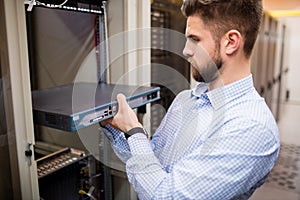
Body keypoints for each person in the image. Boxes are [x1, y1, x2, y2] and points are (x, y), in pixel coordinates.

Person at [100, 0, 280, 199]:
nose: (186, 50)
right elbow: (152, 163)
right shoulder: (186, 100)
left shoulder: (250, 127)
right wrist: (119, 129)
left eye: (195, 39)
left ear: (231, 42)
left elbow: (165, 195)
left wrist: (135, 132)